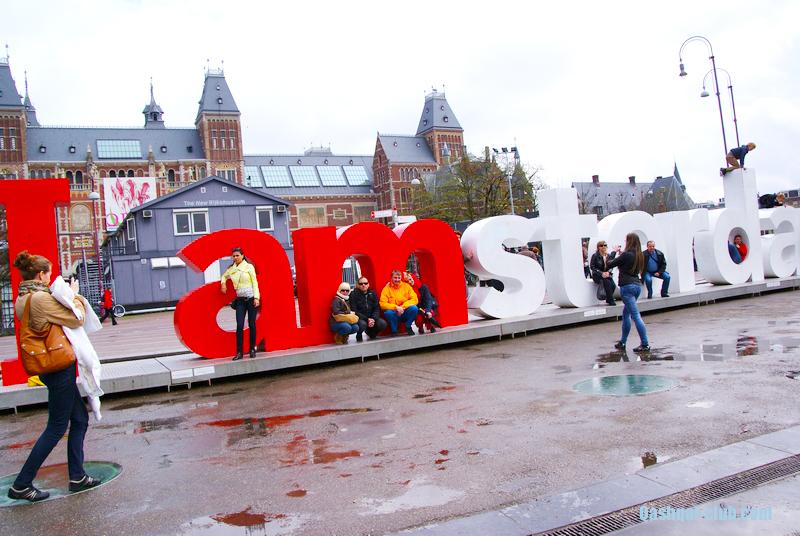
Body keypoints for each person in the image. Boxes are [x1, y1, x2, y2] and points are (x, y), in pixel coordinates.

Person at [7, 251, 101, 502]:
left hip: (51, 367)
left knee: (79, 419)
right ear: (40, 275)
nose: (51, 277)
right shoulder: (39, 298)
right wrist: (75, 295)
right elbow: (76, 318)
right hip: (58, 367)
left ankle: (77, 476)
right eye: (48, 273)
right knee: (57, 426)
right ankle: (22, 484)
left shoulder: (23, 297)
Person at [607, 234, 650, 352]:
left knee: (635, 316)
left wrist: (614, 252)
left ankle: (645, 343)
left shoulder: (626, 255)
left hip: (627, 287)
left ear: (629, 241)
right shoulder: (640, 255)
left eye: (626, 240)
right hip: (636, 285)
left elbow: (609, 263)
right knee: (626, 314)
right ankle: (623, 342)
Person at [220, 247, 260, 360]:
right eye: (233, 256)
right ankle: (239, 352)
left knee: (252, 324)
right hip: (240, 301)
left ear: (242, 256)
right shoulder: (231, 269)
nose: (235, 257)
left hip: (251, 299)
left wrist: (256, 298)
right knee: (239, 326)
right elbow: (224, 276)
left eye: (237, 255)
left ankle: (252, 349)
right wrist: (223, 284)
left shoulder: (249, 267)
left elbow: (255, 283)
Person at [379, 269, 419, 336]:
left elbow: (415, 299)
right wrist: (396, 307)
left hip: (405, 311)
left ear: (401, 278)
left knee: (414, 308)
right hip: (394, 313)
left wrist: (403, 307)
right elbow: (382, 304)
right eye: (395, 278)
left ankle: (408, 326)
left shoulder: (407, 286)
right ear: (391, 278)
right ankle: (394, 330)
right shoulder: (386, 289)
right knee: (388, 313)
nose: (397, 279)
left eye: (399, 278)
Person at [349, 276, 387, 342]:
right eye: (361, 284)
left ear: (368, 284)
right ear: (357, 285)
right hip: (360, 318)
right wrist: (367, 319)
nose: (363, 285)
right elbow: (354, 310)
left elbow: (376, 308)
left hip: (372, 317)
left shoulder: (372, 293)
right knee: (362, 324)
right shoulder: (353, 294)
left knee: (382, 323)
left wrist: (373, 318)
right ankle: (359, 334)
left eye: (365, 283)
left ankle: (371, 332)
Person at [589, 241, 617, 306]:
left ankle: (608, 298)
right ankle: (611, 300)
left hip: (606, 274)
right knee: (607, 282)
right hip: (597, 275)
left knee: (613, 285)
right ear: (598, 247)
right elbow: (592, 267)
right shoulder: (595, 255)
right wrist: (601, 273)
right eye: (601, 245)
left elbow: (611, 265)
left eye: (605, 245)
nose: (603, 247)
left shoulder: (608, 255)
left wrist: (608, 272)